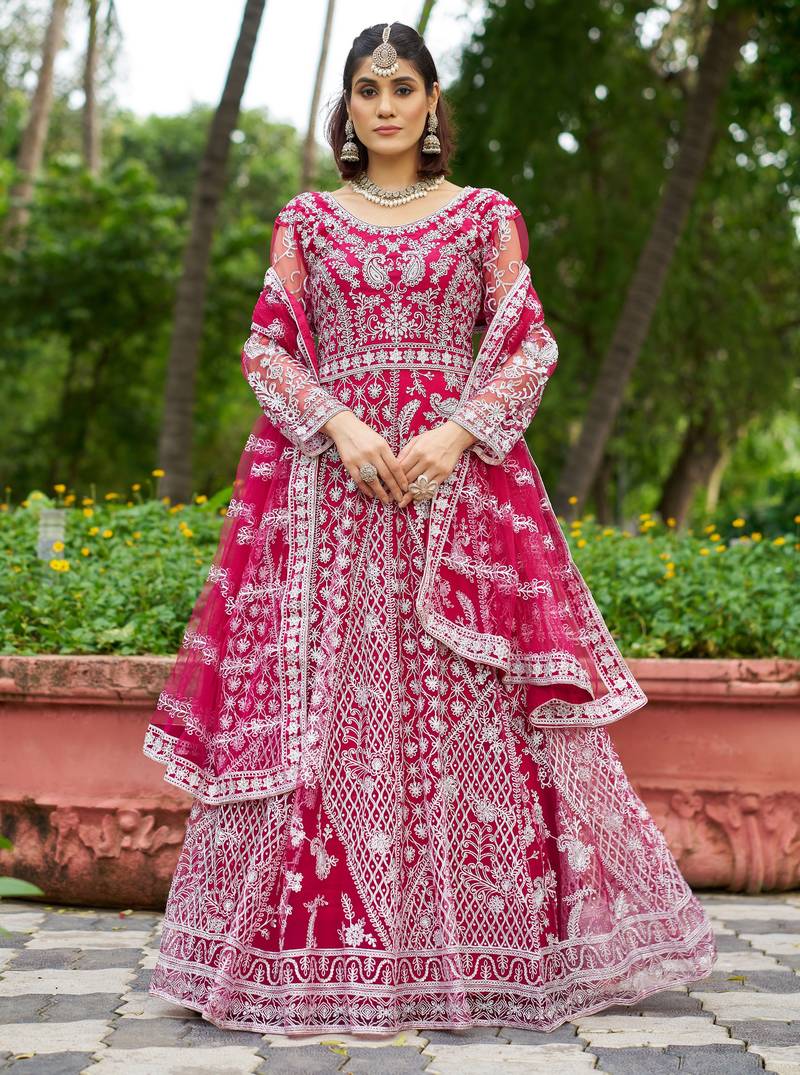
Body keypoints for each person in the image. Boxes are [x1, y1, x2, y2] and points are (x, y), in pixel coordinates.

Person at [142, 20, 716, 1035]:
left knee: (466, 715)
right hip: (332, 498)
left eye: (402, 87)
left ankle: (488, 953)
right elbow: (266, 352)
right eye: (366, 90)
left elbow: (527, 348)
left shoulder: (485, 217)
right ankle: (307, 957)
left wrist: (455, 434)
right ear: (349, 108)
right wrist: (341, 425)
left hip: (457, 502)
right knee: (325, 727)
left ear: (432, 100)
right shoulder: (307, 221)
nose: (385, 106)